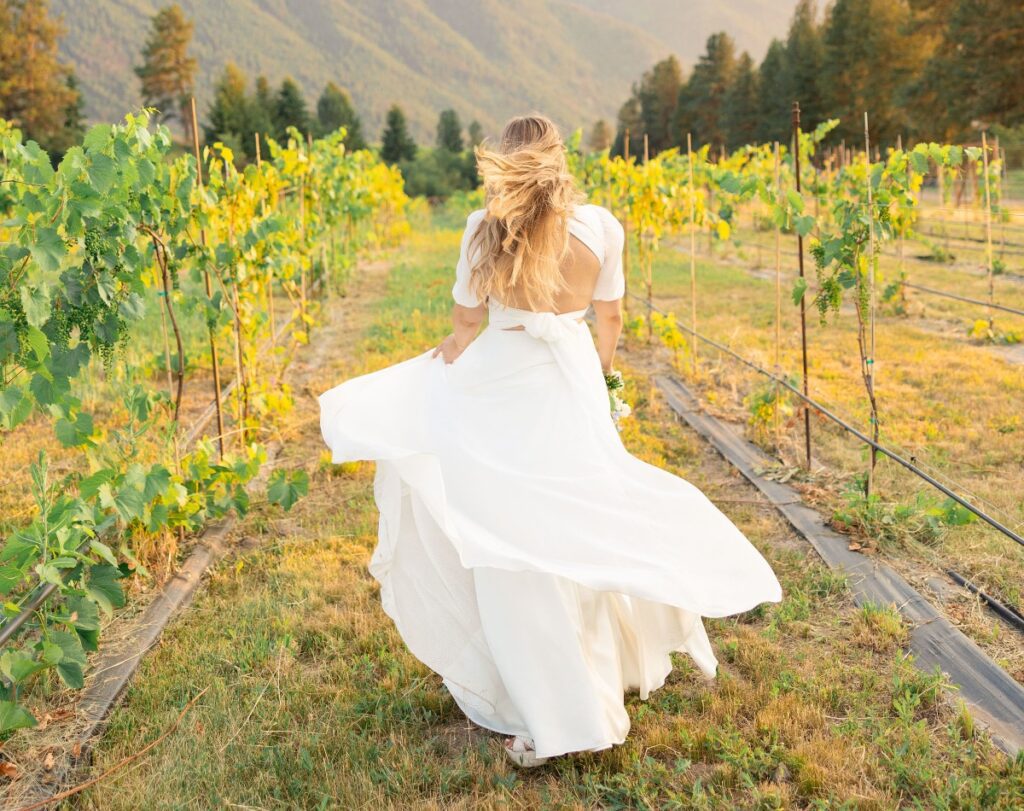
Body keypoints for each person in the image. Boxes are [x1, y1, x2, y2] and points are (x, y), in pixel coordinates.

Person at [319, 114, 782, 767]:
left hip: (501, 382)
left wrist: (442, 361)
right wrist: (601, 377)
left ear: (502, 164)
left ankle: (553, 704)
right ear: (560, 159)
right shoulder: (602, 227)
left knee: (508, 543)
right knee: (580, 517)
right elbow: (611, 317)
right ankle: (597, 673)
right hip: (569, 380)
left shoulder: (482, 231)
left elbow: (464, 324)